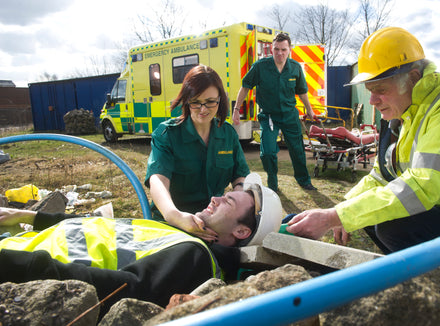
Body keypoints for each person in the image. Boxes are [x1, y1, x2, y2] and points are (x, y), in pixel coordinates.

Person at [0, 173, 282, 316]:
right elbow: (103, 227)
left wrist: (15, 266)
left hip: (19, 265)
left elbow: (123, 288)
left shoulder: (195, 255)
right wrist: (28, 215)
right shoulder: (181, 233)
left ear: (242, 231)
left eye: (228, 202)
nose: (216, 198)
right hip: (22, 244)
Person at [286, 27, 440, 254]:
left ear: (414, 79)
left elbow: (424, 185)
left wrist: (334, 217)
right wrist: (341, 210)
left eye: (380, 89)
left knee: (391, 228)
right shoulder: (403, 113)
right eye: (369, 90)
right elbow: (381, 175)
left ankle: (425, 283)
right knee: (363, 216)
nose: (372, 101)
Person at [145, 65, 250, 242]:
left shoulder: (227, 134)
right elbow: (158, 180)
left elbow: (240, 175)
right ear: (186, 100)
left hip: (213, 223)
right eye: (195, 102)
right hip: (173, 224)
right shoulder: (167, 134)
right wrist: (174, 216)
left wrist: (237, 199)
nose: (203, 109)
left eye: (210, 102)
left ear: (220, 100)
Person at [232, 32, 316, 192]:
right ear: (271, 49)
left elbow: (302, 92)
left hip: (290, 115)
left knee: (298, 150)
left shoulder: (295, 68)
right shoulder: (260, 67)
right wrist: (236, 109)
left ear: (289, 49)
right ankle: (272, 184)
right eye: (276, 49)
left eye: (284, 50)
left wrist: (310, 110)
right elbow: (245, 87)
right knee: (268, 152)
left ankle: (304, 180)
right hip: (269, 116)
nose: (280, 53)